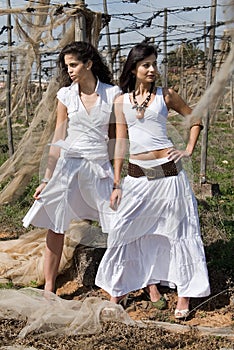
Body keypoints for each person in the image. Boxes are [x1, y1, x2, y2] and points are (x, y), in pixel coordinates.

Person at [95, 42, 210, 319]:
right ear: (134, 68)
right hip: (137, 178)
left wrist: (188, 150)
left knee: (178, 232)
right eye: (146, 64)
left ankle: (184, 296)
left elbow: (196, 119)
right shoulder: (121, 101)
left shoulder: (166, 95)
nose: (152, 69)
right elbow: (120, 141)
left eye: (155, 64)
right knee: (123, 229)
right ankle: (118, 289)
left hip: (169, 176)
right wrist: (117, 181)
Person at [23, 41, 121, 292]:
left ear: (89, 64)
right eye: (67, 66)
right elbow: (58, 139)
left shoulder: (113, 94)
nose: (70, 71)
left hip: (99, 168)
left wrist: (115, 176)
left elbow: (115, 139)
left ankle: (119, 285)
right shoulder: (65, 96)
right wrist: (46, 179)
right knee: (56, 224)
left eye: (74, 65)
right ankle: (49, 286)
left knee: (117, 223)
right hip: (68, 167)